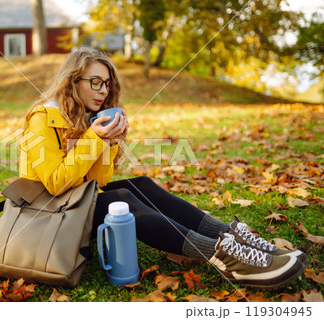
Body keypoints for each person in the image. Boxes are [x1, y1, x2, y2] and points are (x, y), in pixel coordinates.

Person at [19, 47, 306, 290]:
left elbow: (98, 181)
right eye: (95, 82)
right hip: (47, 218)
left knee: (140, 185)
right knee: (122, 202)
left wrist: (109, 143)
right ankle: (227, 260)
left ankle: (232, 237)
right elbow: (56, 184)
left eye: (107, 84)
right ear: (73, 81)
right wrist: (95, 138)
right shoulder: (43, 118)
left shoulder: (85, 119)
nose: (103, 91)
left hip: (73, 208)